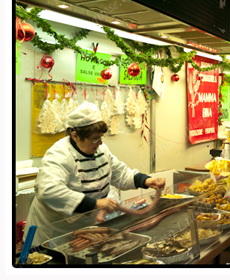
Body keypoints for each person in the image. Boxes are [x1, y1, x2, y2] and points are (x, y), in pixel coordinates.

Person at [23, 102, 166, 246]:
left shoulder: (101, 150)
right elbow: (48, 190)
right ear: (75, 136)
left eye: (101, 137)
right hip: (52, 233)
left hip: (83, 232)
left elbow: (120, 173)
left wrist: (146, 181)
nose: (99, 143)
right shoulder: (59, 155)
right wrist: (96, 203)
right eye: (94, 138)